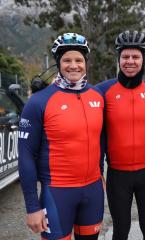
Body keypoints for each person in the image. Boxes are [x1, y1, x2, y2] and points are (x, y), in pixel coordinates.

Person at [18, 32, 105, 240]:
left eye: (78, 60)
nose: (73, 65)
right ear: (58, 63)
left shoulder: (97, 96)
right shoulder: (38, 102)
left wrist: (100, 171)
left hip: (93, 191)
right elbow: (26, 155)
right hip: (57, 193)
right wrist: (32, 207)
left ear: (85, 63)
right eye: (67, 60)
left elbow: (99, 140)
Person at [96, 30, 145, 240]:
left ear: (143, 59)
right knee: (121, 230)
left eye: (135, 56)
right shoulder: (102, 91)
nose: (130, 61)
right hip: (118, 176)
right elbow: (73, 96)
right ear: (118, 59)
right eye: (125, 56)